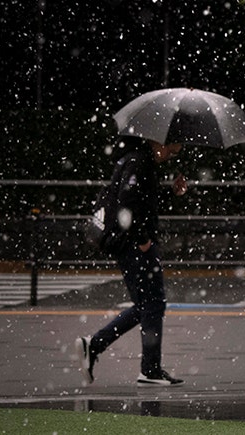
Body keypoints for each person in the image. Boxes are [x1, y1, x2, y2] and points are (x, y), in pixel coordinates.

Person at [78, 136, 187, 386]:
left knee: (146, 305)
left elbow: (143, 201)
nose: (171, 156)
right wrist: (142, 239)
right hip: (135, 245)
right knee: (152, 304)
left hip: (133, 243)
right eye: (171, 151)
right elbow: (128, 203)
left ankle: (96, 346)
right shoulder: (139, 162)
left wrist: (171, 192)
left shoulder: (139, 160)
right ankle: (148, 369)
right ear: (158, 142)